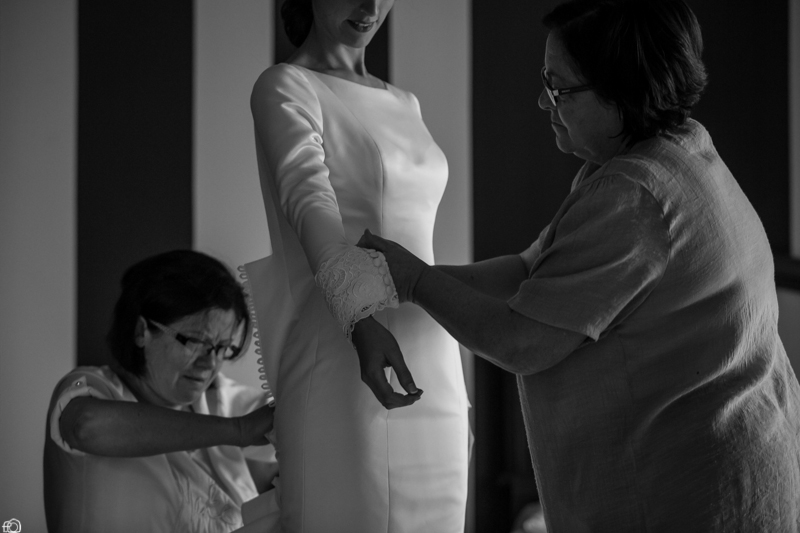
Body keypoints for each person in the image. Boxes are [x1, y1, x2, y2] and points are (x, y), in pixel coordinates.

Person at [358, 0, 800, 530]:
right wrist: (400, 281)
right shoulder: (670, 151)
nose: (542, 101)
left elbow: (520, 342)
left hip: (697, 495)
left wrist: (416, 280)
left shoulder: (633, 196)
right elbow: (529, 272)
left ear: (623, 92)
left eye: (559, 88)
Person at [240, 0, 470, 531]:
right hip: (345, 352)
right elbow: (308, 200)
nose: (370, 6)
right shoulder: (285, 85)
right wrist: (360, 316)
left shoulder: (406, 102)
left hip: (434, 357)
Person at [44, 250, 277, 533]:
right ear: (141, 331)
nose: (210, 363)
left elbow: (301, 413)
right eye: (195, 342)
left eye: (222, 347)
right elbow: (86, 426)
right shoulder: (91, 387)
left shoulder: (220, 400)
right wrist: (238, 431)